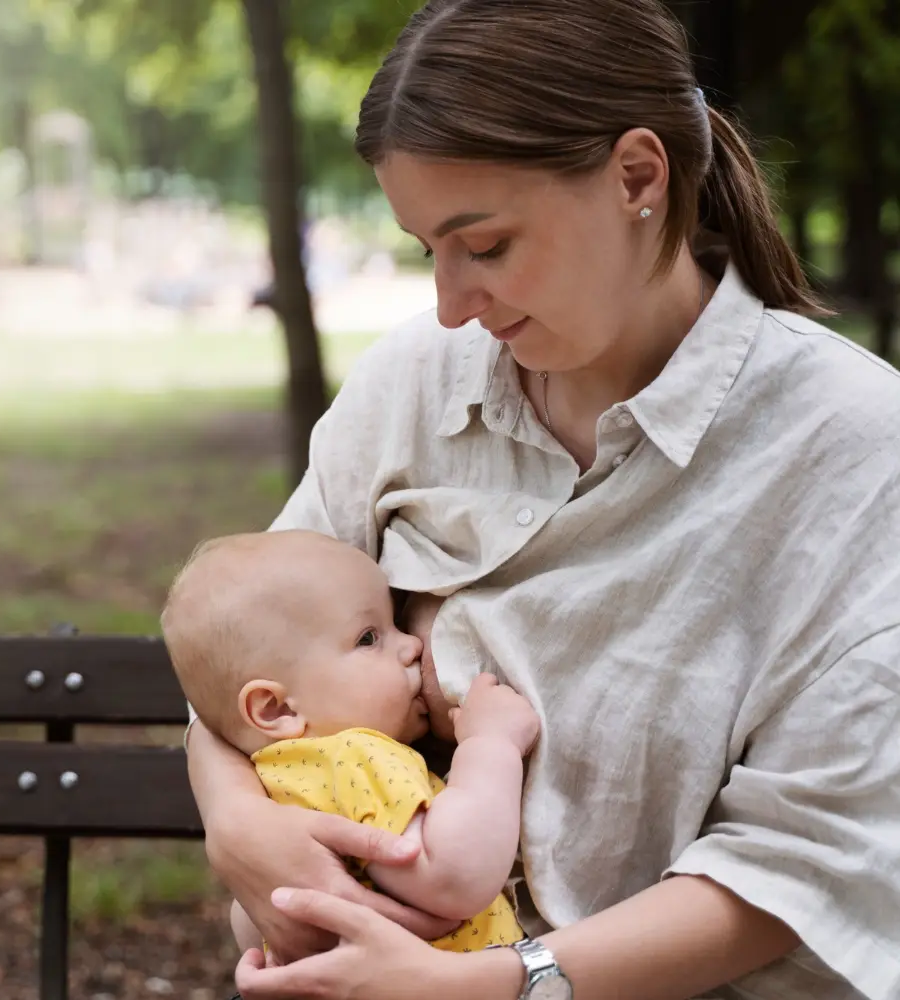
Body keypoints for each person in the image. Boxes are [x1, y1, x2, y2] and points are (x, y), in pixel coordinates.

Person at [186, 2, 900, 999]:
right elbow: (238, 651)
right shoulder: (411, 386)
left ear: (638, 177)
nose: (450, 305)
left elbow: (801, 866)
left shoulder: (853, 448)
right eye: (427, 250)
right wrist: (237, 823)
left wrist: (491, 985)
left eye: (484, 245)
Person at [160, 530, 537, 961]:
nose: (412, 645)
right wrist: (490, 744)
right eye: (369, 638)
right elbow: (454, 878)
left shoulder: (276, 788)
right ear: (277, 709)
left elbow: (251, 926)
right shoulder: (356, 758)